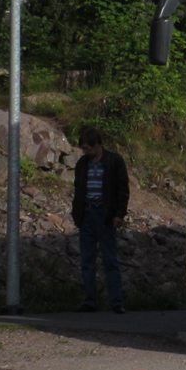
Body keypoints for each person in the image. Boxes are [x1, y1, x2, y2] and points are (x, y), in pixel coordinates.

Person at [71, 128, 130, 313]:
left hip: (104, 216)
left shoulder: (114, 161)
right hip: (87, 214)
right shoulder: (83, 164)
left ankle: (116, 302)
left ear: (97, 145)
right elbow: (78, 189)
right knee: (87, 260)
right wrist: (77, 214)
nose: (85, 151)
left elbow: (122, 189)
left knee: (110, 260)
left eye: (87, 148)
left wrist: (119, 214)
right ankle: (90, 301)